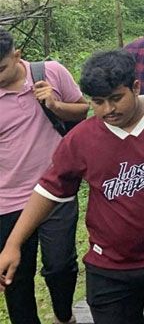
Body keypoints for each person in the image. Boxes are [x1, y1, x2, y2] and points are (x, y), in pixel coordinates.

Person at [0, 50, 144, 324]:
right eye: (98, 102)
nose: (107, 110)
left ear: (136, 87)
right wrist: (13, 244)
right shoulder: (81, 139)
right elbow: (48, 191)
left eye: (116, 99)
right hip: (110, 267)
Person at [0, 28, 88, 324]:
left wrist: (55, 105)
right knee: (15, 276)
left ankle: (65, 317)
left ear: (17, 56)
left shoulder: (50, 72)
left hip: (57, 191)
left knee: (60, 266)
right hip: (7, 200)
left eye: (0, 68)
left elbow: (83, 111)